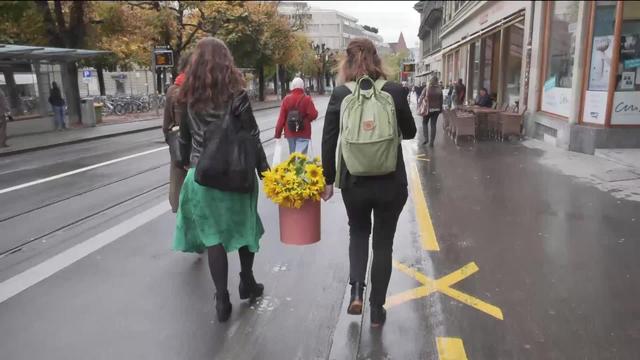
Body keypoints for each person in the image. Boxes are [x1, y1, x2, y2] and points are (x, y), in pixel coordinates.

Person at [321, 38, 416, 327]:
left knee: (359, 233)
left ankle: (357, 293)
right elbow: (411, 132)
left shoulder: (340, 94)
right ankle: (377, 311)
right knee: (384, 244)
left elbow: (328, 139)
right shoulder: (395, 91)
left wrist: (327, 179)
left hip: (354, 182)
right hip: (391, 181)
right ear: (377, 59)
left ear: (347, 62)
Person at [173, 37, 269, 323]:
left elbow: (184, 141)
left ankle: (221, 297)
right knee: (244, 228)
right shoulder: (237, 95)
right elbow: (252, 136)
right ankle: (247, 281)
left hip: (201, 176)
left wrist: (186, 162)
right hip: (237, 172)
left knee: (213, 237)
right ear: (227, 63)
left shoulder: (187, 96)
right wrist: (264, 170)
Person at [163, 52, 192, 213]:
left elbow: (166, 125)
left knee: (179, 187)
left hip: (179, 149)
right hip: (199, 151)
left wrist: (174, 142)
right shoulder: (202, 90)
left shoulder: (172, 90)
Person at [275, 77, 318, 154]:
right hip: (304, 132)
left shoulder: (286, 99)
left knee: (293, 157)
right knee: (300, 159)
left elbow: (281, 119)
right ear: (302, 86)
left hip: (290, 132)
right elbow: (313, 115)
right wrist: (306, 119)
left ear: (292, 86)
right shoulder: (307, 99)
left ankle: (293, 165)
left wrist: (278, 134)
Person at [418, 77, 444, 147]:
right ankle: (432, 142)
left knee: (424, 123)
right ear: (437, 81)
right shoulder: (439, 89)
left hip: (427, 109)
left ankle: (426, 138)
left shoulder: (427, 88)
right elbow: (441, 100)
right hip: (437, 110)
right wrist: (440, 108)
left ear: (430, 81)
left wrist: (420, 105)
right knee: (433, 125)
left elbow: (421, 97)